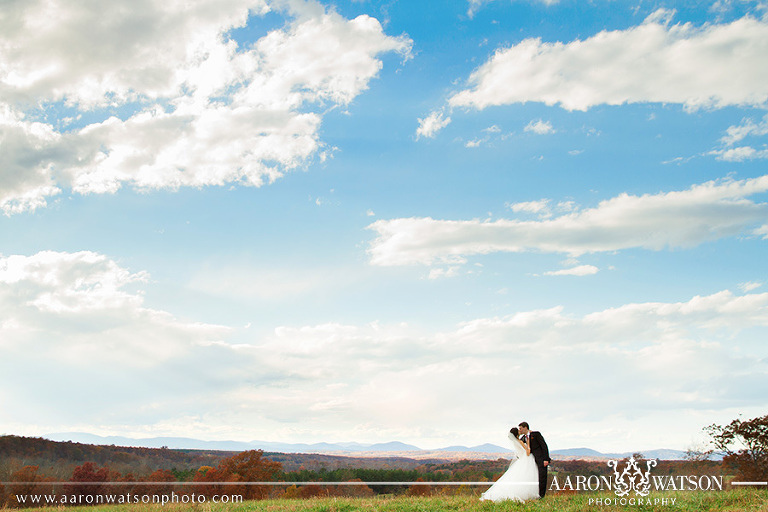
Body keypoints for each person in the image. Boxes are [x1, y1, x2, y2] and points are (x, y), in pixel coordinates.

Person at [480, 427, 539, 502]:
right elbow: (527, 452)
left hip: (521, 460)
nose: (520, 431)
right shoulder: (520, 442)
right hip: (526, 460)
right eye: (519, 430)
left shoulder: (516, 442)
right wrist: (528, 444)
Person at [518, 421, 551, 498]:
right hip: (531, 461)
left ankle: (541, 496)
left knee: (542, 477)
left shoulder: (536, 435)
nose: (519, 430)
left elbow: (544, 446)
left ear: (525, 427)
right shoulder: (522, 438)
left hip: (541, 459)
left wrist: (546, 459)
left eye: (520, 428)